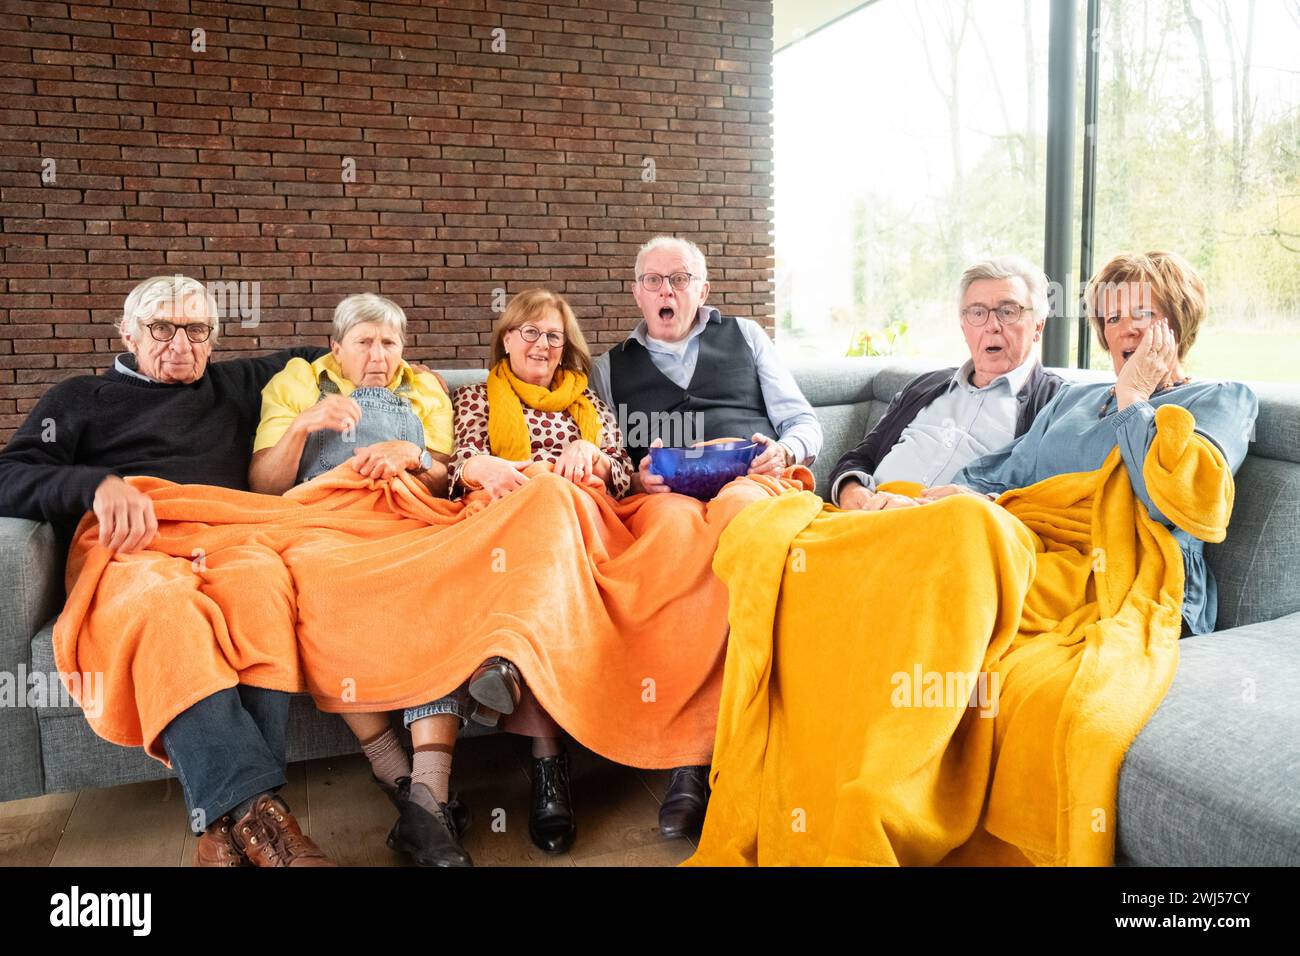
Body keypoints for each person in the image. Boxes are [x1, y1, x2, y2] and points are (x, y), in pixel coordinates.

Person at [0, 274, 334, 867]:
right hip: (134, 546)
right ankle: (266, 822)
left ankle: (226, 831)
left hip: (230, 534)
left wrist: (415, 391)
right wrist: (94, 484)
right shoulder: (77, 398)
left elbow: (333, 351)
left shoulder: (238, 383)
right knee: (164, 607)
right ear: (126, 332)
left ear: (212, 337)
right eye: (162, 328)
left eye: (198, 329)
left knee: (263, 588)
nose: (181, 344)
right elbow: (9, 476)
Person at [591, 234, 823, 839]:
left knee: (743, 529)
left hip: (748, 481)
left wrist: (786, 449)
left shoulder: (746, 337)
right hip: (663, 498)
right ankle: (687, 759)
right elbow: (610, 454)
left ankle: (729, 749)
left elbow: (802, 420)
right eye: (654, 281)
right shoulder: (609, 368)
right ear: (636, 292)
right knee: (669, 543)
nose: (667, 290)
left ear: (703, 288)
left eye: (680, 278)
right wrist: (634, 476)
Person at [248, 291, 476, 864]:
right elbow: (264, 488)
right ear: (335, 347)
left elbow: (450, 480)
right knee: (323, 590)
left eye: (390, 343)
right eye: (365, 343)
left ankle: (426, 794)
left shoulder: (424, 389)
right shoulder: (297, 383)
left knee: (437, 581)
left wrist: (413, 455)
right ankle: (409, 789)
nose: (379, 355)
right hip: (322, 523)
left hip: (406, 518)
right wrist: (304, 425)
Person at [925, 250, 1258, 635]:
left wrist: (1133, 397)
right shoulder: (1072, 398)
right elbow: (1004, 477)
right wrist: (954, 496)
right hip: (1033, 549)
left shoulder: (1222, 399)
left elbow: (1174, 501)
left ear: (1177, 323)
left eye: (1143, 314)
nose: (1126, 329)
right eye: (1113, 318)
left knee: (946, 568)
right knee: (909, 528)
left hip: (1124, 576)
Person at [443, 288, 633, 859]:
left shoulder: (590, 406)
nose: (541, 344)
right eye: (529, 332)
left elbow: (624, 474)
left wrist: (593, 457)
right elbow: (455, 467)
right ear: (506, 338)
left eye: (553, 336)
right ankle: (549, 767)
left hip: (582, 523)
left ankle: (508, 671)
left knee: (553, 493)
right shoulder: (476, 397)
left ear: (566, 347)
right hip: (507, 525)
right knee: (538, 508)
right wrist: (483, 464)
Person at [827, 255, 1064, 512]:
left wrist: (979, 503)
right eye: (977, 312)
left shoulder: (1056, 402)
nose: (992, 326)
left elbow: (1052, 499)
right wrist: (851, 490)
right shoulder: (926, 386)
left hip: (952, 530)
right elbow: (860, 457)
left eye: (1008, 312)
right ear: (964, 327)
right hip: (866, 517)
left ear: (1038, 326)